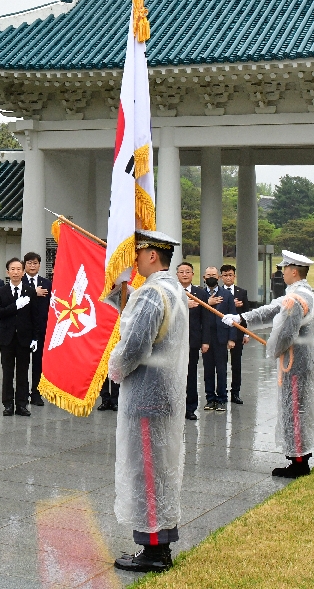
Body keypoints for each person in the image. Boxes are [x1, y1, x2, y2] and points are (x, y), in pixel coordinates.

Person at [109, 231, 189, 574]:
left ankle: (153, 550)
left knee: (147, 472)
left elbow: (136, 344)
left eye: (139, 253)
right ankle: (162, 541)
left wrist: (115, 367)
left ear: (153, 255)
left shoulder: (154, 293)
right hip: (164, 391)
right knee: (159, 469)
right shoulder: (172, 288)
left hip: (146, 394)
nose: (135, 259)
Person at [226, 250, 314, 478]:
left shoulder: (296, 298)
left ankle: (299, 462)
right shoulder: (300, 293)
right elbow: (273, 309)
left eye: (284, 269)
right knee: (296, 408)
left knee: (294, 409)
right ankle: (299, 456)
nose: (282, 272)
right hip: (298, 360)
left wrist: (272, 350)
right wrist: (242, 318)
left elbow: (286, 333)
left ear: (293, 271)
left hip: (295, 362)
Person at [0, 258, 36, 417]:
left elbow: (35, 316)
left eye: (19, 269)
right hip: (7, 338)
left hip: (24, 338)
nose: (16, 272)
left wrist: (35, 338)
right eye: (13, 269)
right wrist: (16, 306)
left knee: (23, 373)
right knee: (7, 373)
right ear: (7, 272)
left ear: (23, 272)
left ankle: (22, 404)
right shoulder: (1, 291)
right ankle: (7, 405)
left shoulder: (30, 291)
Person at [199, 266, 235, 411]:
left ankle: (221, 398)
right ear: (204, 277)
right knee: (207, 370)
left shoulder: (226, 295)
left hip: (221, 337)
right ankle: (210, 398)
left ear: (219, 277)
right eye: (208, 275)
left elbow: (233, 317)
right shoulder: (200, 294)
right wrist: (208, 303)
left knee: (221, 369)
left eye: (214, 275)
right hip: (205, 338)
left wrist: (232, 338)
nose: (211, 277)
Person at [173, 262, 201, 420]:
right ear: (176, 274)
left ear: (192, 274)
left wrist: (205, 341)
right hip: (174, 341)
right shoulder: (172, 292)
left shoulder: (200, 293)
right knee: (174, 375)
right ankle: (175, 407)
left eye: (187, 271)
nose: (184, 274)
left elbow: (205, 318)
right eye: (181, 272)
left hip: (192, 342)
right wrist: (184, 303)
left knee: (191, 375)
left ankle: (190, 408)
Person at [219, 264, 251, 404]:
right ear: (221, 277)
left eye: (230, 275)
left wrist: (246, 334)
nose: (228, 277)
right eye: (225, 275)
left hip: (238, 333)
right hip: (221, 332)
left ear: (234, 276)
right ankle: (222, 392)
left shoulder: (241, 292)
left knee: (236, 364)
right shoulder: (217, 292)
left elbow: (247, 314)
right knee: (221, 364)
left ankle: (235, 393)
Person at [24, 252, 51, 407]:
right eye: (29, 263)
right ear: (24, 265)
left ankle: (36, 393)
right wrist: (34, 292)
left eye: (35, 263)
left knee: (38, 364)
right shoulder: (19, 281)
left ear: (39, 265)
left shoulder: (46, 283)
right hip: (23, 328)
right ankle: (22, 393)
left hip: (41, 329)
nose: (32, 266)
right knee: (22, 363)